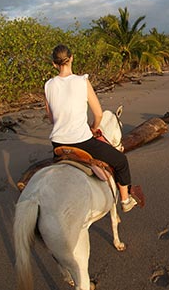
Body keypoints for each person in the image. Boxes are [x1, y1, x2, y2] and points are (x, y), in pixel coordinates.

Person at [44, 44, 143, 212]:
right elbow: (98, 114)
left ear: (54, 64)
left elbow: (52, 117)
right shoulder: (82, 81)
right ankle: (125, 201)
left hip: (57, 144)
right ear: (72, 58)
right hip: (82, 142)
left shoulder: (48, 85)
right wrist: (93, 128)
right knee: (121, 161)